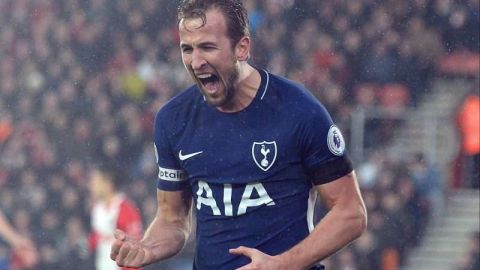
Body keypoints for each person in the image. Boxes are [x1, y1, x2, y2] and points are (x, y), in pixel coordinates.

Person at [110, 1, 367, 269]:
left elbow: (351, 214)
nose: (196, 62)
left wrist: (282, 264)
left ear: (242, 48)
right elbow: (173, 219)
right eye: (187, 49)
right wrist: (146, 248)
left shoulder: (299, 110)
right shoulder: (173, 120)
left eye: (208, 47)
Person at [89, 166, 143, 270]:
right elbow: (98, 237)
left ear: (108, 184)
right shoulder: (97, 208)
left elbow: (135, 246)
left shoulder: (126, 209)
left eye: (95, 181)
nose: (92, 185)